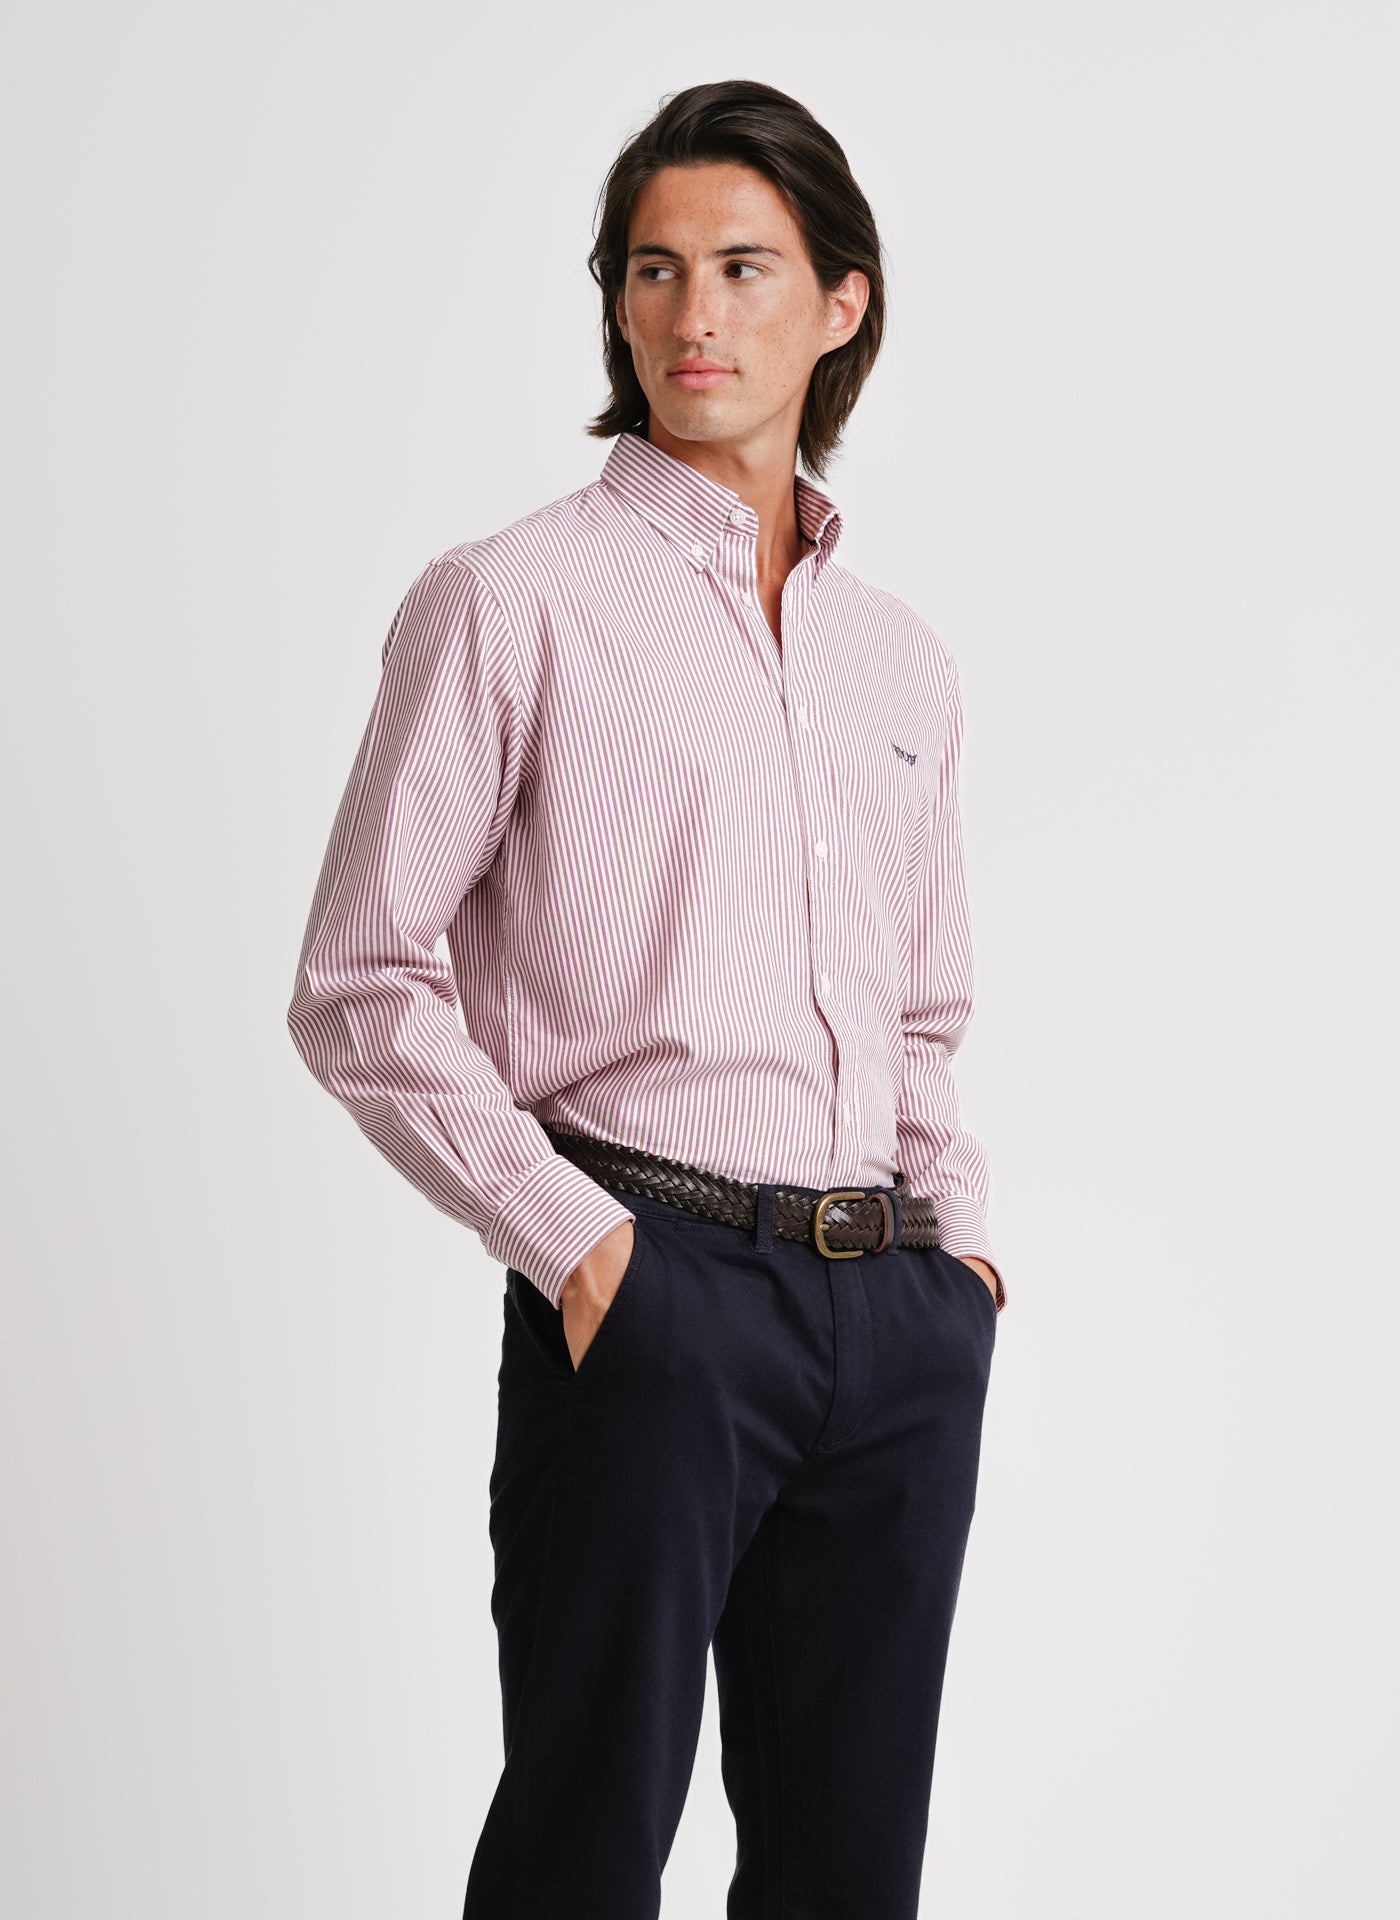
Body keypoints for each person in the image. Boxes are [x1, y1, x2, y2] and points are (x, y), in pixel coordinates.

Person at [287, 76, 1006, 1920]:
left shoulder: (900, 661)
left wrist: (961, 1259)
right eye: (655, 268)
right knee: (585, 1853)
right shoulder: (509, 600)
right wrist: (583, 1250)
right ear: (615, 299)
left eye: (745, 269)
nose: (695, 314)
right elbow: (360, 978)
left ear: (840, 302)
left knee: (850, 1876)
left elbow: (924, 1014)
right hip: (652, 1289)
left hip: (894, 1320)